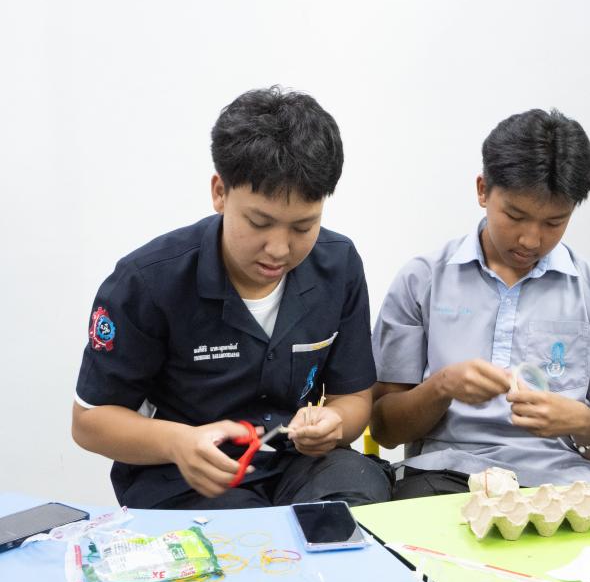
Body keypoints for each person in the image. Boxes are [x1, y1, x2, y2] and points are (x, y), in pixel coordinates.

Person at [72, 86, 392, 510]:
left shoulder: (339, 265)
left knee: (356, 498)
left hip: (296, 464)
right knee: (246, 540)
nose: (279, 249)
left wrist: (334, 423)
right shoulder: (148, 281)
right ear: (220, 192)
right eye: (259, 222)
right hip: (189, 477)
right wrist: (179, 442)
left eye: (303, 227)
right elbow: (89, 421)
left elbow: (353, 398)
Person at [371, 108, 590, 498]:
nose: (531, 240)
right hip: (447, 475)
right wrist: (441, 387)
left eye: (554, 222)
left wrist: (584, 424)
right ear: (483, 190)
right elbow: (385, 430)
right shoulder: (422, 281)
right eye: (515, 216)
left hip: (564, 482)